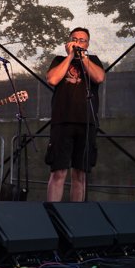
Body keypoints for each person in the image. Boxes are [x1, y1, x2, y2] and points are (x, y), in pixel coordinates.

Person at [45, 27, 106, 202]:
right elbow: (53, 79)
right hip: (62, 123)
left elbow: (99, 78)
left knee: (80, 174)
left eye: (82, 40)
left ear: (87, 44)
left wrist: (83, 57)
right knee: (58, 172)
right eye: (74, 39)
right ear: (68, 42)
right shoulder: (59, 60)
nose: (78, 43)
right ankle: (52, 212)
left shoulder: (93, 60)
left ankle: (75, 214)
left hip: (86, 123)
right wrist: (71, 56)